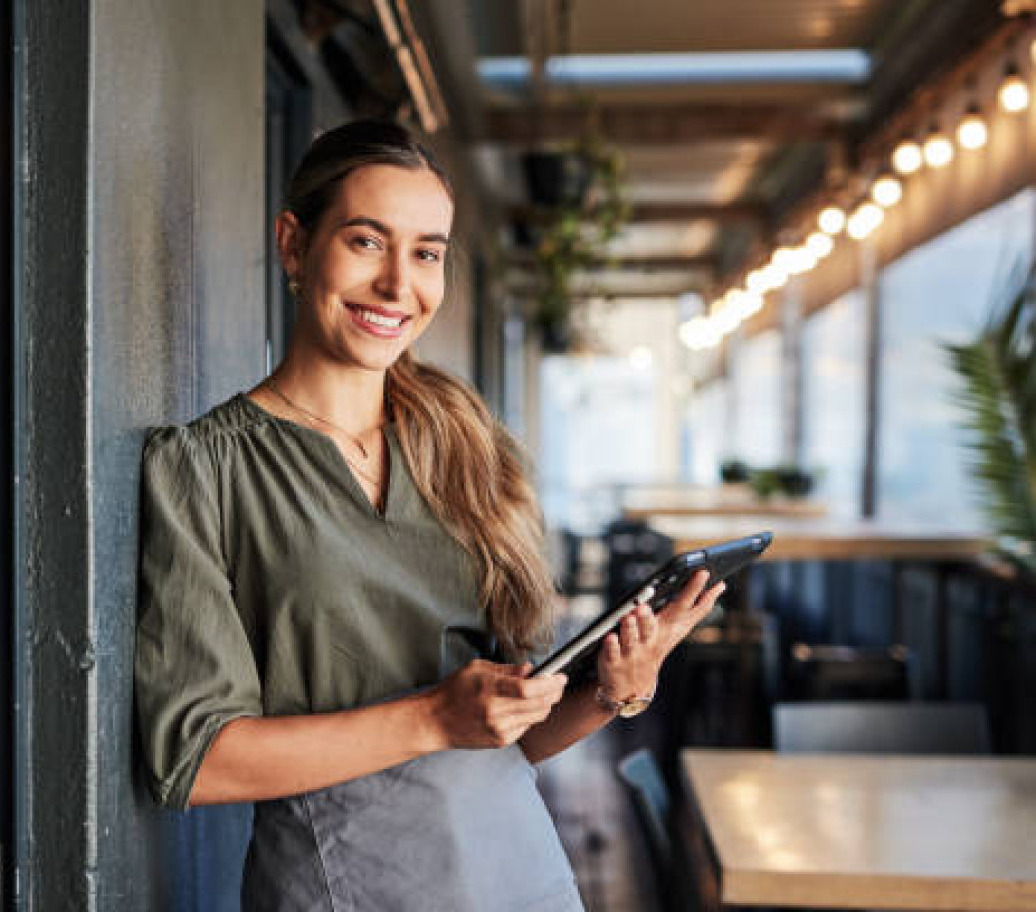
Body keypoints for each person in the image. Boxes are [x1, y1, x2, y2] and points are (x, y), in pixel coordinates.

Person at [134, 119, 724, 911]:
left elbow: (510, 738)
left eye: (427, 253)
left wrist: (611, 692)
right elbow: (196, 760)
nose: (397, 285)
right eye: (366, 242)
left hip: (521, 873)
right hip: (346, 885)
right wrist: (434, 718)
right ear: (293, 245)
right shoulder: (206, 467)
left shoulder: (466, 448)